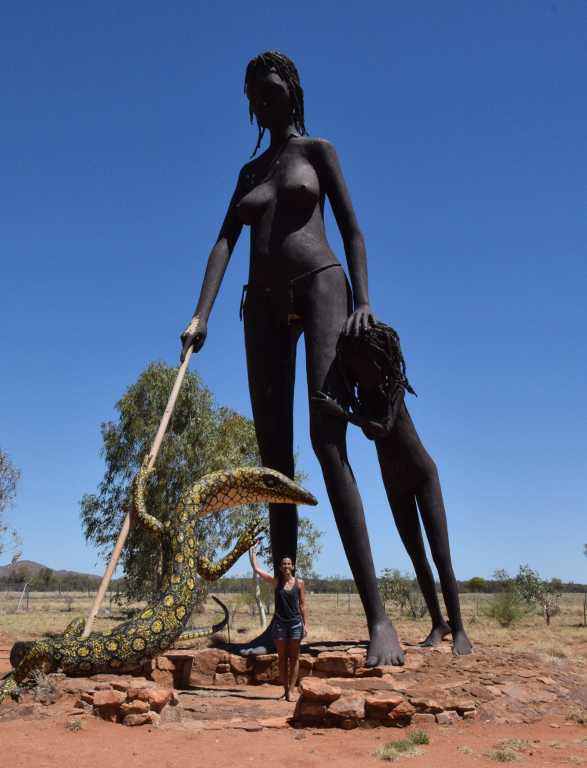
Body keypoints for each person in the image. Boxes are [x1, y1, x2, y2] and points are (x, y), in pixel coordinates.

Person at [180, 51, 403, 667]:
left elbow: (353, 230)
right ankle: (284, 619)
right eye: (255, 94)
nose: (264, 100)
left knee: (329, 442)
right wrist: (201, 314)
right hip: (262, 307)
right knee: (274, 462)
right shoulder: (248, 172)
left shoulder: (318, 153)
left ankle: (379, 619)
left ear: (294, 93)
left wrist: (363, 300)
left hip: (322, 284)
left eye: (273, 89)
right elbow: (225, 241)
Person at [310, 321, 473, 654]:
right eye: (354, 363)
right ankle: (438, 624)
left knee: (441, 556)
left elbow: (383, 427)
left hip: (422, 474)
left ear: (381, 359)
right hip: (393, 480)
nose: (361, 367)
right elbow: (370, 430)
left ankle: (459, 629)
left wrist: (342, 413)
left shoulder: (395, 386)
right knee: (417, 557)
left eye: (366, 359)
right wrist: (344, 409)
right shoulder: (361, 398)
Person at [249, 542, 307, 701]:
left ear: (293, 567)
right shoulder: (276, 582)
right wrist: (253, 551)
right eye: (284, 564)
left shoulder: (299, 583)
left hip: (295, 624)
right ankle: (285, 691)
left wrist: (305, 624)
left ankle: (291, 691)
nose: (287, 566)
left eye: (289, 564)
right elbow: (257, 569)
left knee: (294, 658)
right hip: (280, 624)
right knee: (282, 658)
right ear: (280, 568)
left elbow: (302, 604)